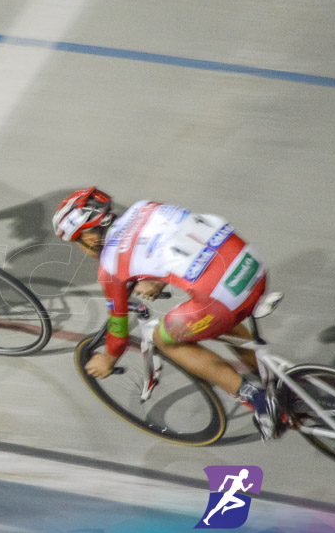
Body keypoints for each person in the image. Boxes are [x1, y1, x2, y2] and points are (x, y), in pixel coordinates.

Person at [52, 187, 278, 440]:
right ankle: (274, 381)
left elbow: (118, 335)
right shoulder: (144, 207)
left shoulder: (111, 268)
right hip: (251, 266)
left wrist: (107, 360)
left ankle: (259, 401)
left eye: (77, 243)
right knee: (218, 318)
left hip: (225, 300)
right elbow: (178, 241)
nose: (82, 249)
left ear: (90, 238)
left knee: (165, 339)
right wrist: (156, 279)